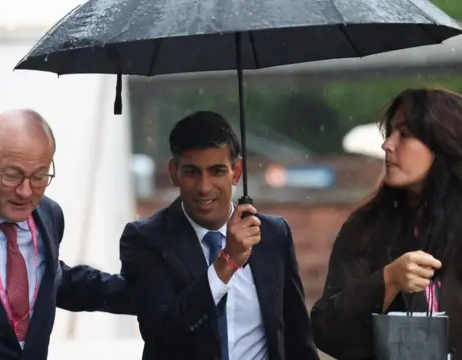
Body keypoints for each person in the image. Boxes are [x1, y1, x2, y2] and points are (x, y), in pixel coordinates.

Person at [310, 88, 462, 360]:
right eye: (390, 132)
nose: (387, 144)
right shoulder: (366, 229)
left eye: (405, 133)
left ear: (445, 145)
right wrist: (386, 282)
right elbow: (327, 331)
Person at [0, 109, 134, 360]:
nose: (26, 192)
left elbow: (50, 280)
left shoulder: (49, 215)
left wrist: (152, 292)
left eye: (40, 176)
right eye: (12, 176)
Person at [120, 111, 319, 360]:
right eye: (192, 172)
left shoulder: (272, 235)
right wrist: (227, 263)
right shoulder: (146, 239)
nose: (204, 187)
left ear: (236, 172)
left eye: (216, 172)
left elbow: (298, 337)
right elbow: (161, 334)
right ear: (174, 172)